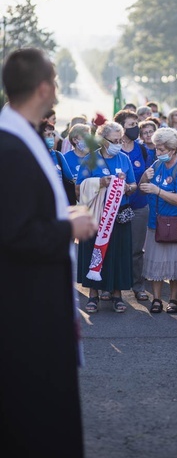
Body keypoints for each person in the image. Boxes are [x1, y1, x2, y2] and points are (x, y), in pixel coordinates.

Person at [0, 47, 97, 457]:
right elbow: (13, 232)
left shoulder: (22, 134)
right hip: (26, 309)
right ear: (42, 88)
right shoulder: (11, 147)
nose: (57, 91)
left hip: (35, 300)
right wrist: (68, 226)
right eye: (55, 83)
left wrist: (62, 212)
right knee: (35, 421)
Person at [76, 121, 136, 313]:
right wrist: (100, 183)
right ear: (103, 140)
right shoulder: (90, 160)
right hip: (96, 216)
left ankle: (117, 296)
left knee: (118, 253)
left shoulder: (124, 159)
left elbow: (134, 185)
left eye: (121, 140)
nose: (119, 143)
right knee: (94, 252)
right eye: (115, 140)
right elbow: (79, 190)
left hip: (118, 216)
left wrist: (127, 188)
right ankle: (93, 295)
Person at [139, 127, 177, 314]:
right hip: (156, 222)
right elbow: (143, 188)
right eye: (157, 149)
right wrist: (143, 177)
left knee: (175, 263)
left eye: (162, 150)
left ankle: (173, 299)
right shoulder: (156, 165)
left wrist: (158, 191)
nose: (158, 153)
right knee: (155, 262)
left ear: (173, 150)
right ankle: (156, 299)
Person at [114, 109, 153, 301]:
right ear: (121, 128)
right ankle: (112, 287)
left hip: (139, 205)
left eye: (136, 124)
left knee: (137, 250)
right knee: (115, 247)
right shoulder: (113, 150)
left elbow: (146, 176)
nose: (135, 128)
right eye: (131, 125)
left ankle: (138, 286)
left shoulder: (143, 149)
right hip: (116, 207)